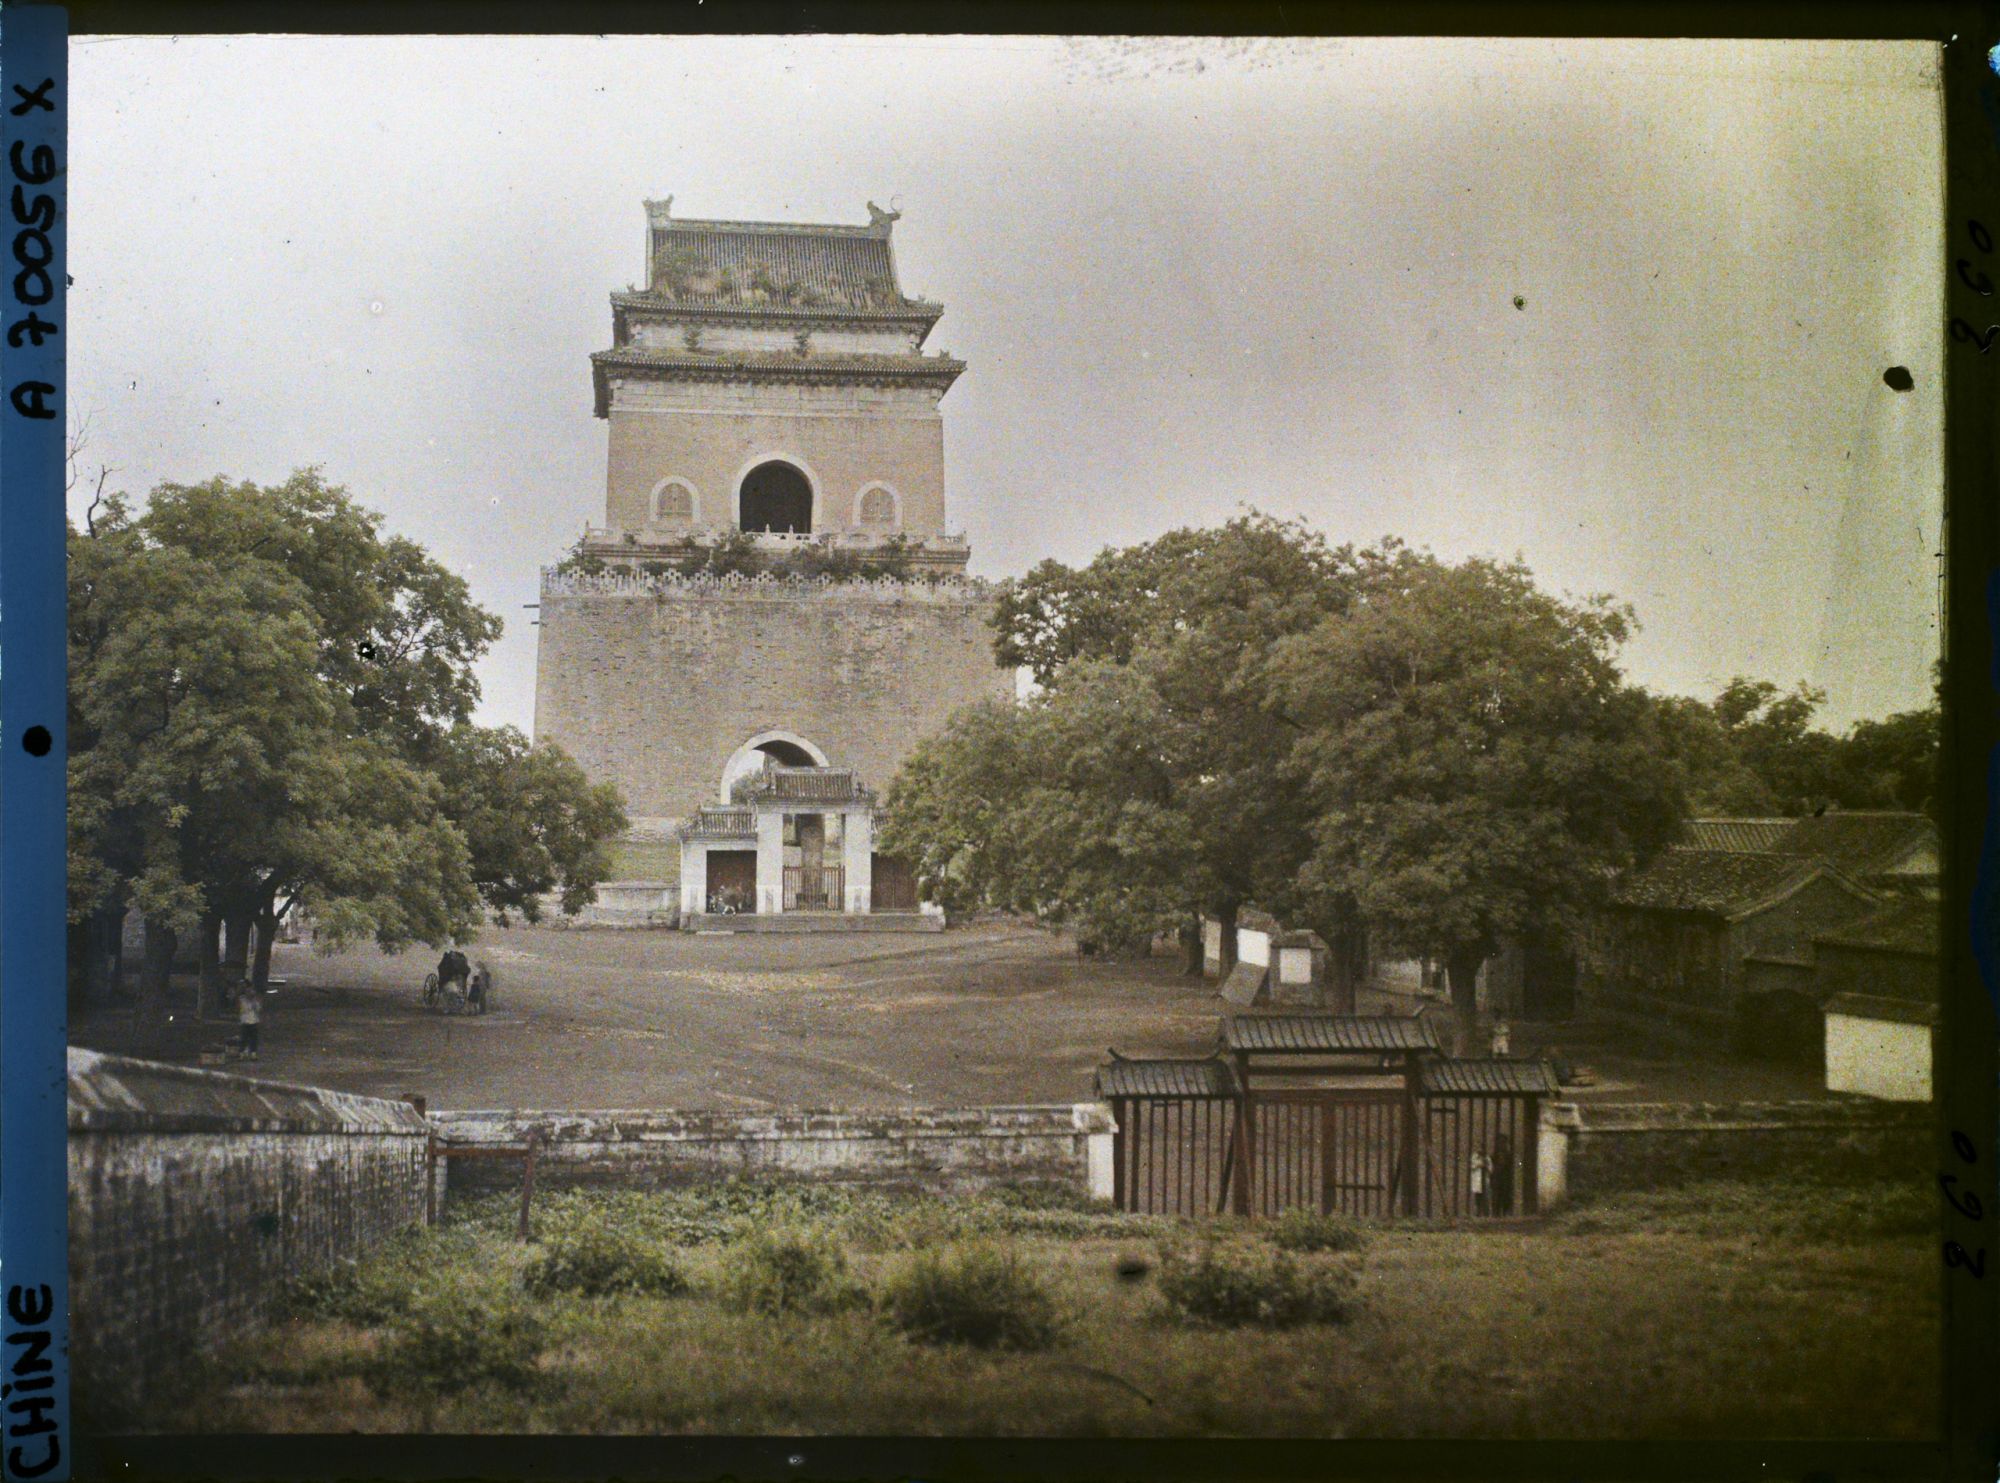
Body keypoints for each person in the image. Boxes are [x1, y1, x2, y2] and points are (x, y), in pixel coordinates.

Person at [235, 984, 262, 1062]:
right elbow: (239, 1009)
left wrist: (255, 1003)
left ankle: (253, 1053)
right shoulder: (241, 1000)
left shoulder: (256, 1000)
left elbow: (258, 1009)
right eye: (248, 991)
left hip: (254, 1021)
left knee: (254, 1038)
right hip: (245, 1021)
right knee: (243, 1038)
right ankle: (242, 1053)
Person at [1492, 1134, 1515, 1216]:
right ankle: (1496, 1212)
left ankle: (1505, 1211)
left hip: (1505, 1177)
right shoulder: (1495, 1154)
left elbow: (1510, 1166)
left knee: (1505, 1194)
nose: (1501, 1144)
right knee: (1497, 1194)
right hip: (1497, 1177)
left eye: (1503, 1142)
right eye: (1500, 1142)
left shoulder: (1508, 1154)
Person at [1470, 1146, 1491, 1217]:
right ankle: (1478, 1212)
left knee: (1486, 1197)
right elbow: (1472, 1166)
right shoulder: (1475, 1157)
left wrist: (1486, 1166)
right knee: (1478, 1198)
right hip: (1477, 1181)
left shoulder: (1487, 1158)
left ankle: (1486, 1213)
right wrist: (1480, 1164)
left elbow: (1490, 1169)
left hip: (1485, 1181)